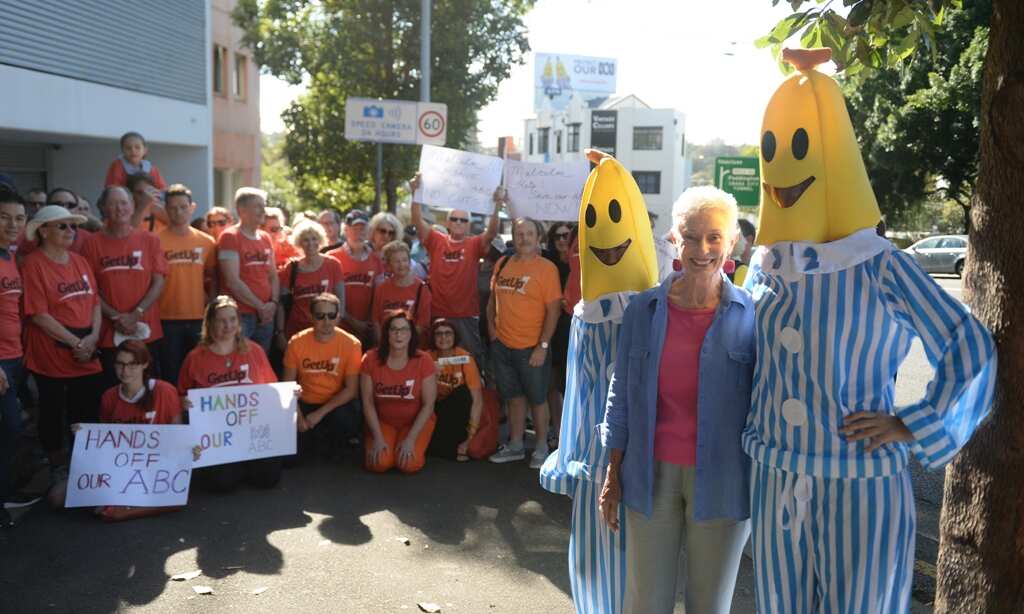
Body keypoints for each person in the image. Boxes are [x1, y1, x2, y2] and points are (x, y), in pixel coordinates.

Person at [598, 186, 754, 614]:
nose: (701, 249)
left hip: (724, 481)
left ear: (732, 241)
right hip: (650, 476)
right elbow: (621, 393)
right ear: (674, 239)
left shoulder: (754, 315)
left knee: (709, 606)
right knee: (645, 603)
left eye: (714, 237)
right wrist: (612, 474)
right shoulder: (643, 310)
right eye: (690, 236)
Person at [21, 205, 104, 489]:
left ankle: (86, 470)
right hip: (52, 353)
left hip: (86, 350)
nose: (71, 231)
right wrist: (76, 342)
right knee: (53, 416)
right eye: (63, 226)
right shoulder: (33, 264)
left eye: (73, 226)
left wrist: (92, 338)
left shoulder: (80, 261)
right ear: (43, 231)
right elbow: (38, 314)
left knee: (87, 411)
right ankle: (58, 468)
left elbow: (94, 302)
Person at [178, 295, 281, 491]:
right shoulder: (195, 358)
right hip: (217, 438)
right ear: (210, 323)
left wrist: (291, 395)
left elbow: (272, 389)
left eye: (233, 319)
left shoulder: (254, 351)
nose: (228, 326)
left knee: (269, 479)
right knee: (221, 485)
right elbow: (182, 394)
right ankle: (235, 467)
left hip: (251, 432)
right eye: (221, 320)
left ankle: (245, 464)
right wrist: (184, 403)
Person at [487, 217, 562, 468]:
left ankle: (541, 447)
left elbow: (553, 311)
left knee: (538, 399)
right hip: (503, 345)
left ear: (538, 237)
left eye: (529, 233)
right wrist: (492, 331)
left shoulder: (547, 268)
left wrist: (542, 346)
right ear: (513, 236)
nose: (524, 238)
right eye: (519, 233)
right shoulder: (503, 262)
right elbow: (492, 301)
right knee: (514, 397)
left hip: (532, 347)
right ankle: (516, 445)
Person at [408, 173, 500, 368]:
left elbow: (491, 232)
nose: (458, 222)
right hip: (439, 313)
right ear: (448, 223)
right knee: (441, 362)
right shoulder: (436, 240)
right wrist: (415, 193)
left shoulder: (473, 244)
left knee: (469, 360)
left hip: (466, 314)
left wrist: (496, 206)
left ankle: (473, 394)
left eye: (463, 220)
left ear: (469, 225)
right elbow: (417, 221)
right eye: (455, 219)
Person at [80, 186, 167, 384]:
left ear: (133, 206)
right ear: (103, 207)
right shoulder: (92, 244)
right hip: (109, 332)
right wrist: (116, 316)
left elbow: (158, 282)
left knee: (148, 387)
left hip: (146, 330)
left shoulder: (150, 240)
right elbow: (90, 290)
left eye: (124, 203)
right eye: (113, 203)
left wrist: (136, 314)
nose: (119, 208)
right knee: (113, 391)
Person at [95, 340, 184, 520]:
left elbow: (177, 435)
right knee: (57, 497)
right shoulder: (109, 397)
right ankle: (130, 504)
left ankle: (125, 512)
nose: (125, 371)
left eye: (132, 364)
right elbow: (105, 441)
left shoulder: (165, 391)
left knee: (176, 495)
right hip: (124, 465)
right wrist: (84, 434)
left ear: (145, 364)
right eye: (120, 364)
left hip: (158, 465)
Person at [282, 293, 362, 462]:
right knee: (290, 460)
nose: (326, 322)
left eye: (331, 316)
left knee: (347, 418)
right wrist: (299, 417)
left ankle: (334, 442)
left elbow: (351, 390)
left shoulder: (352, 344)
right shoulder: (296, 342)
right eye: (320, 316)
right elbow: (287, 386)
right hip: (305, 403)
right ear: (311, 317)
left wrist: (320, 414)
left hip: (334, 405)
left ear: (338, 317)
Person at [360, 311, 436, 474]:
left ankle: (403, 445)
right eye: (394, 329)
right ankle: (390, 445)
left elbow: (429, 405)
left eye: (404, 330)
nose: (398, 334)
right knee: (379, 464)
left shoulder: (424, 360)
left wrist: (410, 439)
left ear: (411, 334)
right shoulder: (370, 359)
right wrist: (378, 438)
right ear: (386, 333)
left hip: (414, 422)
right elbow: (367, 402)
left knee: (409, 464)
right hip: (383, 422)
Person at [156, 184, 216, 386]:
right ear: (165, 209)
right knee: (171, 375)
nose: (178, 212)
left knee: (200, 374)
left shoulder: (207, 242)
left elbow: (213, 277)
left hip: (200, 318)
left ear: (192, 208)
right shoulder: (155, 241)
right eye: (172, 207)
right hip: (165, 318)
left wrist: (211, 307)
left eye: (183, 207)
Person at [0, 188, 31, 526]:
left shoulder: (9, 256)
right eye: (4, 216)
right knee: (9, 429)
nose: (12, 224)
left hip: (14, 357)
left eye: (19, 218)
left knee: (11, 432)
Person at [217, 188, 278, 353]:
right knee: (239, 362)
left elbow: (273, 275)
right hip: (241, 316)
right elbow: (232, 281)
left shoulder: (265, 237)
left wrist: (273, 303)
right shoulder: (230, 237)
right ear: (241, 210)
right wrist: (260, 307)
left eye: (263, 206)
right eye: (258, 206)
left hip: (265, 315)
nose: (263, 211)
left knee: (259, 364)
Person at [276, 218, 346, 344]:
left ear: (320, 241)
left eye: (314, 239)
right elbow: (282, 303)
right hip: (296, 331)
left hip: (325, 331)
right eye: (306, 240)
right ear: (299, 243)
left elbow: (341, 301)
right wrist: (280, 333)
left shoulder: (333, 265)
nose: (310, 243)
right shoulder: (291, 268)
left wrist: (333, 327)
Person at [426, 319, 483, 462]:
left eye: (448, 333)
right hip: (433, 408)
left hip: (458, 412)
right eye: (438, 334)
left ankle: (454, 445)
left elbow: (477, 401)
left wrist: (470, 437)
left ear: (455, 336)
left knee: (462, 393)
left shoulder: (465, 358)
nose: (443, 338)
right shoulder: (426, 357)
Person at [327, 209, 381, 347]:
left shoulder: (377, 260)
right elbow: (328, 296)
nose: (359, 233)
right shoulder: (331, 258)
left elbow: (379, 295)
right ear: (345, 230)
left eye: (362, 229)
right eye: (354, 229)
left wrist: (369, 323)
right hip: (339, 327)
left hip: (368, 330)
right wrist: (354, 322)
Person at [542, 221, 574, 447]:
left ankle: (572, 433)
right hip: (552, 329)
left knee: (573, 383)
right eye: (557, 237)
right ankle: (557, 429)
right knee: (552, 385)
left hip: (577, 327)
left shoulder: (583, 261)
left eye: (566, 236)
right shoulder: (547, 263)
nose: (562, 240)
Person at [371, 241, 431, 344]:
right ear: (389, 265)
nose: (401, 265)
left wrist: (403, 344)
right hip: (386, 345)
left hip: (411, 346)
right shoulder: (382, 288)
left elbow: (423, 323)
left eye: (404, 260)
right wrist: (383, 343)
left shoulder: (421, 288)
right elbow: (376, 320)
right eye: (396, 261)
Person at [16, 188, 92, 258]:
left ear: (77, 209)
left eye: (70, 205)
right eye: (58, 204)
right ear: (47, 207)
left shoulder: (88, 239)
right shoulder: (28, 239)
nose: (64, 208)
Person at [369, 211, 426, 281]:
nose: (386, 235)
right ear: (373, 231)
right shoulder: (364, 252)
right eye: (382, 231)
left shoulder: (403, 259)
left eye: (391, 233)